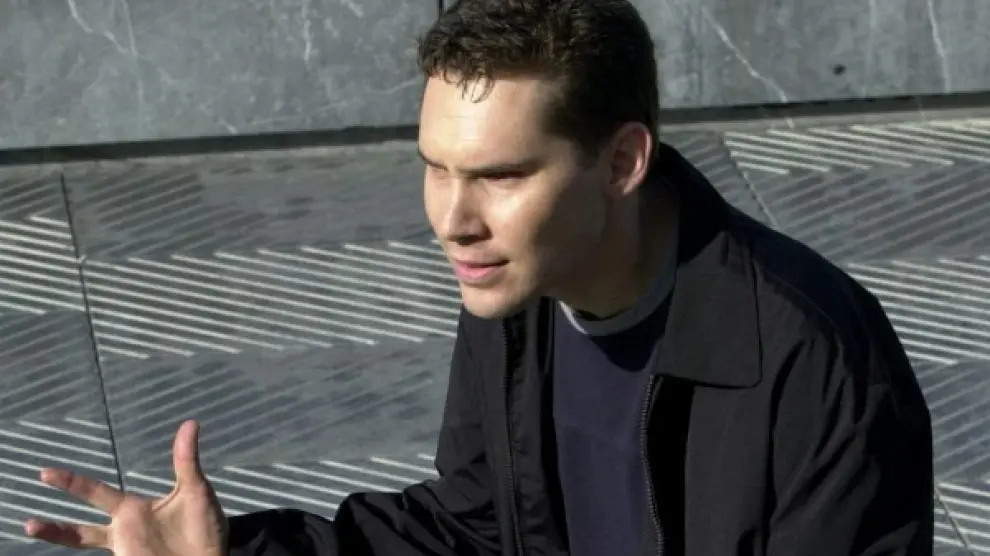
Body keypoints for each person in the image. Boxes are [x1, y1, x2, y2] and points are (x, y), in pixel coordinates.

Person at [26, 0, 935, 554]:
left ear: (622, 162)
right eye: (436, 167)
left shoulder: (815, 362)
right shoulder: (516, 294)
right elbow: (474, 529)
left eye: (501, 175)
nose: (453, 219)